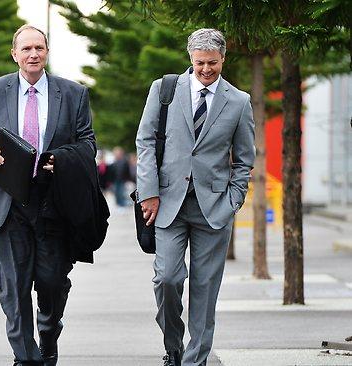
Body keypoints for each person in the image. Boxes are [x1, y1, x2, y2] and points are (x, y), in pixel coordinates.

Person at [0, 25, 100, 366]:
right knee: (14, 287)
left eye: (39, 48)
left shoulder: (73, 94)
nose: (33, 54)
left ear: (47, 52)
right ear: (14, 54)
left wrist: (62, 159)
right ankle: (26, 357)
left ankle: (48, 329)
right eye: (26, 48)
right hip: (8, 200)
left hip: (52, 202)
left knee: (51, 280)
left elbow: (88, 143)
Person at [135, 28, 255, 366]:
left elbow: (244, 159)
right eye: (200, 62)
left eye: (212, 63)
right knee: (168, 279)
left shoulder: (239, 101)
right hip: (166, 205)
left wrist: (233, 200)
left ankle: (194, 361)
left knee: (204, 292)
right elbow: (145, 142)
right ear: (191, 58)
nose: (206, 69)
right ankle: (174, 345)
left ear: (223, 59)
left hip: (213, 209)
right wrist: (149, 192)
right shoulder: (164, 90)